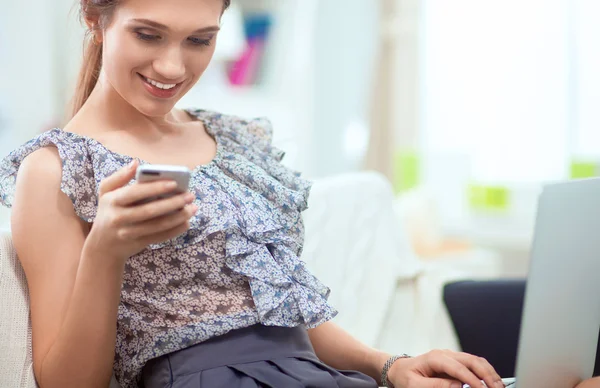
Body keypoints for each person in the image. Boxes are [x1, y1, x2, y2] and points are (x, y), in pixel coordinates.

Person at [0, 1, 509, 387]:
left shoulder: (235, 139)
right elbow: (68, 382)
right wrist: (105, 251)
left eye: (199, 40)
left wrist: (391, 364)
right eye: (149, 35)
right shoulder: (54, 169)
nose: (173, 68)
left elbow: (281, 312)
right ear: (95, 17)